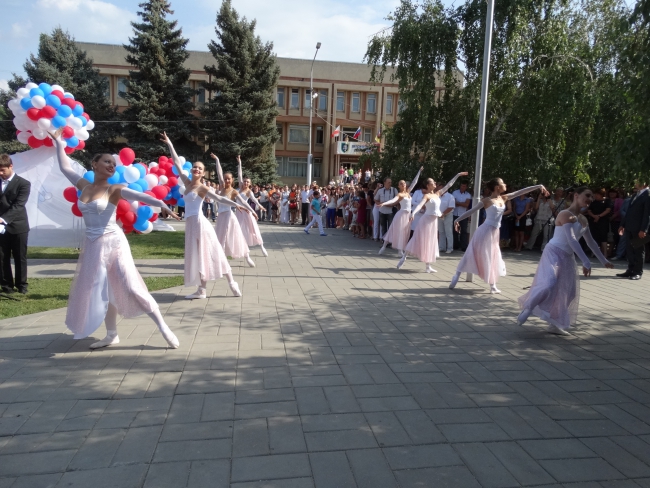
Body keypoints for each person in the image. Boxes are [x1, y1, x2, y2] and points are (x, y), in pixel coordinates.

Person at [50, 131, 180, 349]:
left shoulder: (114, 189)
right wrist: (58, 143)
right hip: (93, 245)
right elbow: (65, 167)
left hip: (114, 242)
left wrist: (161, 204)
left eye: (113, 163)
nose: (112, 165)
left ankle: (163, 326)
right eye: (107, 161)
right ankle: (111, 334)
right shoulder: (84, 186)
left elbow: (140, 196)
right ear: (95, 164)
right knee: (103, 289)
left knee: (131, 284)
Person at [518, 187, 614, 335]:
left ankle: (554, 323)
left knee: (569, 292)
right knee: (548, 283)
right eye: (587, 195)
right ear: (576, 196)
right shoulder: (565, 214)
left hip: (567, 257)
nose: (590, 199)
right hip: (553, 253)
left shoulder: (583, 220)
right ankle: (528, 307)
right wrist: (586, 262)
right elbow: (572, 240)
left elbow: (591, 242)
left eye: (591, 197)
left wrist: (604, 260)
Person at [161, 133, 246, 299]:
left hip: (200, 224)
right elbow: (177, 163)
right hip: (190, 225)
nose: (196, 169)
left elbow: (219, 199)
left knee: (214, 253)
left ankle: (232, 283)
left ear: (202, 173)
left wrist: (236, 204)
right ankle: (202, 290)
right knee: (199, 257)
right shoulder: (187, 183)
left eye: (200, 168)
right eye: (195, 167)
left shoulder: (202, 188)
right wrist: (170, 143)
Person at [449, 179, 548, 294]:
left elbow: (521, 192)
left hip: (495, 232)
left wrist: (538, 186)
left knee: (493, 256)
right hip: (484, 231)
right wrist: (457, 220)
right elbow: (471, 211)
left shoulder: (504, 198)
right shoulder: (487, 200)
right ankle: (457, 274)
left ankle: (493, 285)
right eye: (503, 183)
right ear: (497, 187)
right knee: (472, 253)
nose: (505, 185)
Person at [399, 172, 467, 272]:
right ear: (428, 185)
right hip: (426, 221)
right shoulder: (426, 196)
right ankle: (404, 257)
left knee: (430, 242)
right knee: (416, 239)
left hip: (433, 222)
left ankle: (428, 266)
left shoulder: (437, 194)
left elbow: (449, 185)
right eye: (432, 182)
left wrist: (457, 175)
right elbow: (419, 205)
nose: (435, 183)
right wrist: (413, 213)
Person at [209, 153, 257, 268]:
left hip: (229, 216)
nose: (226, 180)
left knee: (236, 237)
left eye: (228, 179)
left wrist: (253, 211)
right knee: (220, 238)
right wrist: (217, 160)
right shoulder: (221, 187)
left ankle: (247, 256)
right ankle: (220, 260)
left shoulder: (234, 191)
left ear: (232, 180)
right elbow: (219, 172)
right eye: (225, 179)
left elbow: (244, 202)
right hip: (221, 217)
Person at [0, 154, 31, 295]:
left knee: (19, 256)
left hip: (18, 226)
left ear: (10, 166)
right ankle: (6, 285)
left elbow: (19, 205)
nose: (0, 173)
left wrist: (3, 219)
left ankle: (21, 284)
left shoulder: (23, 183)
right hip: (1, 228)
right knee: (2, 257)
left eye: (3, 170)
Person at [378, 167, 423, 254]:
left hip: (408, 215)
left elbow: (414, 182)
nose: (403, 185)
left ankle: (400, 249)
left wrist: (419, 171)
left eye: (404, 183)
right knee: (395, 230)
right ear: (398, 186)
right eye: (401, 184)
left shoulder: (408, 192)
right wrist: (384, 203)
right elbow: (393, 200)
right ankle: (386, 247)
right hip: (401, 215)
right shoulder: (400, 194)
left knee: (404, 232)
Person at [235, 156, 269, 257]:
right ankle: (243, 249)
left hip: (247, 212)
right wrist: (240, 163)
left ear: (250, 184)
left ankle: (262, 247)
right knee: (239, 230)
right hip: (239, 212)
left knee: (254, 229)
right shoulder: (240, 187)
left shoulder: (249, 191)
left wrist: (260, 206)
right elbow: (239, 174)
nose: (245, 183)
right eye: (245, 181)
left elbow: (254, 200)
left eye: (247, 182)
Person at [617, 180, 650, 280]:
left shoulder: (648, 195)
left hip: (639, 228)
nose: (635, 182)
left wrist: (643, 229)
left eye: (638, 181)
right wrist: (622, 224)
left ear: (644, 183)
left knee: (638, 250)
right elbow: (629, 211)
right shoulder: (636, 194)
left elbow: (647, 214)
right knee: (630, 249)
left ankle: (637, 272)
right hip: (629, 227)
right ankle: (630, 270)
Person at [586, 189, 611, 258]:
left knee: (603, 237)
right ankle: (594, 252)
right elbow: (589, 210)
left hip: (603, 221)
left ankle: (605, 253)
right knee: (594, 236)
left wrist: (599, 216)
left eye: (597, 194)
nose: (596, 195)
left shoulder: (607, 201)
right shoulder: (593, 202)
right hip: (593, 221)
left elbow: (608, 210)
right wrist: (594, 216)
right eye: (595, 194)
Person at [375, 177, 398, 242]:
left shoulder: (394, 190)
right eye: (388, 182)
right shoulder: (380, 190)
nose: (390, 184)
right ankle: (384, 241)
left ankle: (390, 241)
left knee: (391, 227)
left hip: (391, 211)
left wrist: (392, 205)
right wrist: (380, 204)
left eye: (390, 182)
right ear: (384, 183)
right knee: (383, 227)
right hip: (382, 211)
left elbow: (398, 200)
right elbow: (375, 199)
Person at [452, 182, 472, 251]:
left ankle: (463, 246)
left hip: (464, 215)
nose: (462, 187)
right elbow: (453, 203)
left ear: (466, 187)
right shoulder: (455, 193)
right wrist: (462, 203)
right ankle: (455, 245)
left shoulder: (468, 195)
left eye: (464, 186)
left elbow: (466, 205)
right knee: (455, 230)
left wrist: (458, 203)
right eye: (461, 186)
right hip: (455, 214)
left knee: (464, 230)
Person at [437, 181, 455, 253]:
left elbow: (451, 207)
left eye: (440, 188)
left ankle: (450, 248)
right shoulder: (438, 196)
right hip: (439, 216)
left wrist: (443, 213)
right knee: (441, 232)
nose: (439, 189)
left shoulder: (450, 196)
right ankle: (442, 247)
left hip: (448, 216)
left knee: (448, 232)